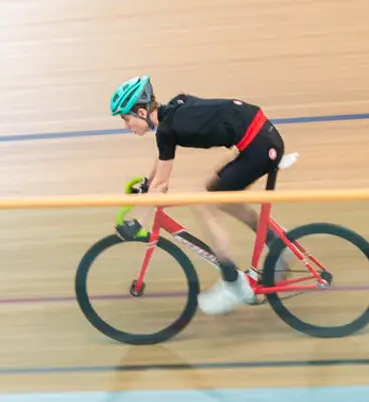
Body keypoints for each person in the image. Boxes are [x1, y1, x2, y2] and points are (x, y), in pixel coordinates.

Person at [109, 75, 286, 316]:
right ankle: (276, 243)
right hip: (261, 138)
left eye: (126, 119)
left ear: (141, 112)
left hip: (260, 146)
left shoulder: (167, 129)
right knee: (218, 194)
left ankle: (233, 284)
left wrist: (138, 221)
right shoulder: (173, 109)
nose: (126, 126)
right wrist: (147, 183)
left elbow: (162, 184)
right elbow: (162, 160)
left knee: (203, 204)